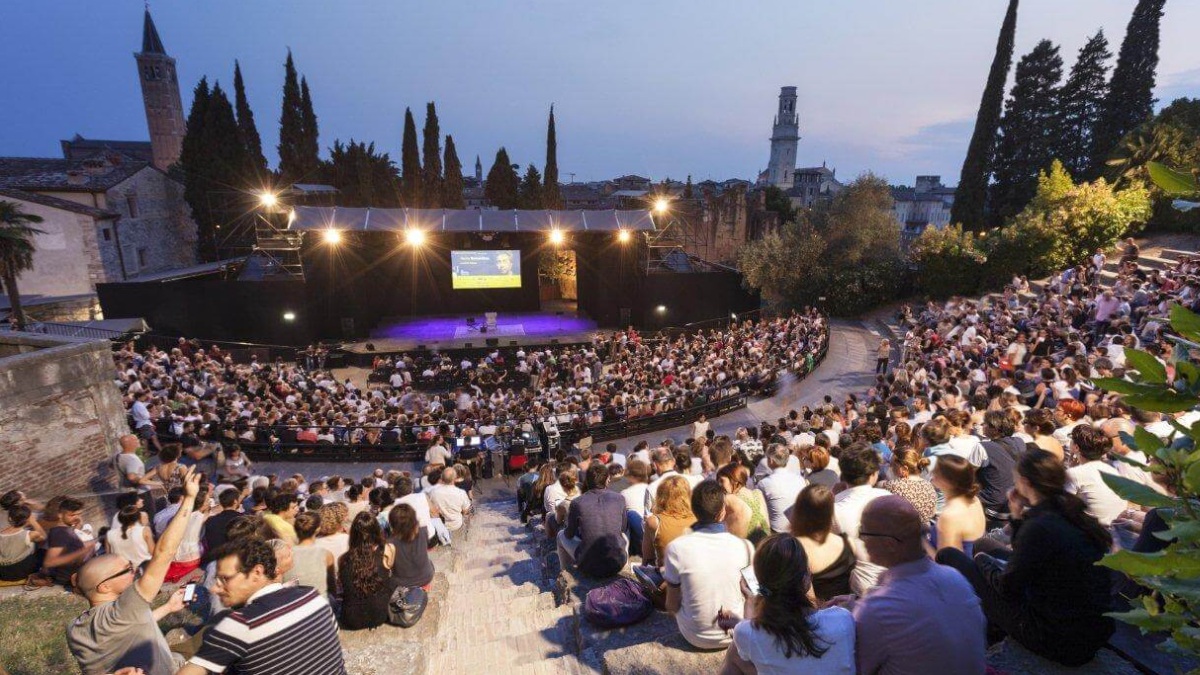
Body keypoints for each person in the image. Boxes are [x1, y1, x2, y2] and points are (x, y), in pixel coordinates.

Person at [936, 449, 1115, 666]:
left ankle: (962, 626)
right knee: (983, 542)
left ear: (1024, 482)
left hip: (1055, 638)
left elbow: (1008, 588)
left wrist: (983, 563)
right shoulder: (1069, 511)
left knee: (949, 555)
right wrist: (1016, 516)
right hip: (1087, 631)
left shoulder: (1041, 526)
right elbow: (1029, 555)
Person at [67, 467, 201, 675]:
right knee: (212, 650)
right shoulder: (125, 607)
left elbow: (127, 625)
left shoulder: (74, 628)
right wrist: (189, 498)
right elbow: (164, 552)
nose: (133, 571)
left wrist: (167, 608)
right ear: (104, 586)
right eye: (127, 569)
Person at [849, 496, 986, 675]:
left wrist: (854, 613)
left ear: (889, 544)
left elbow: (855, 668)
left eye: (863, 532)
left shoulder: (876, 609)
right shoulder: (955, 579)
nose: (861, 539)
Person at [177, 537, 346, 674]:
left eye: (225, 579)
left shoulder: (240, 624)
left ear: (257, 572)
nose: (215, 588)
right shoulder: (312, 595)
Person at [719, 534, 856, 675]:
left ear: (760, 585)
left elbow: (752, 637)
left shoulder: (746, 633)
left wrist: (750, 602)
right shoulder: (843, 619)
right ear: (806, 578)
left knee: (734, 653)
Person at [664, 479, 755, 650]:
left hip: (694, 635)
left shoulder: (676, 548)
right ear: (722, 513)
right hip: (736, 630)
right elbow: (754, 593)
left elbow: (672, 605)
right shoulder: (745, 546)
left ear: (694, 511)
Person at [831, 444, 890, 594]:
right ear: (874, 474)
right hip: (895, 582)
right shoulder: (888, 498)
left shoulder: (833, 508)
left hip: (861, 588)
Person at [559, 463, 629, 578]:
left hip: (589, 566)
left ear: (587, 481)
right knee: (623, 536)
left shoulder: (577, 503)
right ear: (607, 480)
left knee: (560, 535)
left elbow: (569, 534)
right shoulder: (619, 498)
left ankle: (566, 573)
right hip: (618, 563)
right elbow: (623, 528)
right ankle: (625, 567)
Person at [790, 485, 855, 603]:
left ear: (799, 511)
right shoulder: (848, 543)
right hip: (844, 612)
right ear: (830, 511)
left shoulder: (794, 548)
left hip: (814, 616)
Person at [337, 512, 393, 630]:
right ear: (377, 530)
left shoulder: (343, 559)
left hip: (351, 619)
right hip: (381, 615)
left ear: (353, 534)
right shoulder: (387, 550)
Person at [1067, 424, 1128, 527]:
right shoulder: (1111, 470)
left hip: (1093, 533)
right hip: (1115, 530)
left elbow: (1061, 508)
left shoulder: (1075, 473)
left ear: (1076, 447)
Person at [929, 455, 985, 554]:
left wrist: (922, 542)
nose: (932, 472)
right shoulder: (975, 500)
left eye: (936, 471)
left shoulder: (950, 514)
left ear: (949, 481)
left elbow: (946, 561)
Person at [640, 475, 697, 569]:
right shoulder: (699, 519)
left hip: (666, 579)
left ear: (660, 495)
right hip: (693, 577)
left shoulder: (653, 521)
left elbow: (647, 560)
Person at [43, 496, 97, 587]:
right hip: (71, 579)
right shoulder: (59, 533)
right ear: (60, 515)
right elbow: (49, 562)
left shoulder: (67, 530)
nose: (77, 518)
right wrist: (82, 551)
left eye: (79, 514)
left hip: (79, 572)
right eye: (72, 515)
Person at [878, 448, 936, 524]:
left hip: (902, 531)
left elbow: (879, 485)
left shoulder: (893, 485)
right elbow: (932, 513)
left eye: (893, 465)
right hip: (924, 532)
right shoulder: (929, 486)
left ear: (904, 469)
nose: (891, 468)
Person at [757, 444, 805, 533]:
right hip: (798, 528)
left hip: (776, 531)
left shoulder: (764, 483)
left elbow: (760, 510)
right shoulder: (800, 479)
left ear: (770, 460)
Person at [716, 463, 769, 543]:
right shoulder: (758, 493)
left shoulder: (727, 499)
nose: (719, 485)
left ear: (734, 480)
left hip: (743, 548)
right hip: (766, 545)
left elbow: (714, 522)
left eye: (721, 481)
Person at [388, 504, 435, 591]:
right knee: (430, 562)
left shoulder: (390, 543)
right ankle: (424, 586)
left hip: (402, 583)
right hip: (426, 577)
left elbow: (389, 565)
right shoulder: (423, 531)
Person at [292, 511, 335, 596]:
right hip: (320, 603)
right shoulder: (326, 554)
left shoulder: (287, 554)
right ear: (318, 529)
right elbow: (332, 586)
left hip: (294, 603)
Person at [0, 502, 46, 582]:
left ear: (10, 518)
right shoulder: (30, 534)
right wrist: (33, 522)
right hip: (22, 572)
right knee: (43, 551)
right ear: (28, 518)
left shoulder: (1, 534)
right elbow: (44, 536)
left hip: (3, 573)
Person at [425, 466, 472, 532]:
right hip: (456, 524)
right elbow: (465, 511)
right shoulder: (461, 493)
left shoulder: (433, 492)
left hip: (440, 524)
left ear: (442, 478)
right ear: (454, 478)